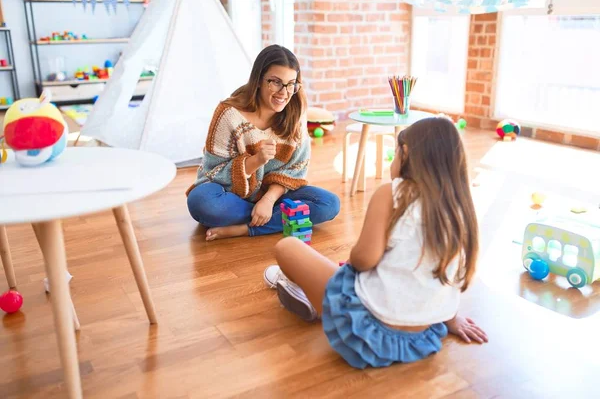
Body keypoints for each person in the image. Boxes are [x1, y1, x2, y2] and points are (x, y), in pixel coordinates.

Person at [263, 117, 488, 369]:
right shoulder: (462, 210)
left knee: (287, 247)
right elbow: (446, 276)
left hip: (365, 330)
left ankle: (303, 292)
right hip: (418, 336)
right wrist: (451, 318)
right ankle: (311, 296)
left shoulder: (392, 193)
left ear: (405, 154)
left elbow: (363, 260)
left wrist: (353, 260)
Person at [186, 44, 340, 241]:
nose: (284, 93)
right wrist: (255, 161)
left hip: (275, 196)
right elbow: (212, 173)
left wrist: (268, 199)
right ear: (258, 80)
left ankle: (246, 228)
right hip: (231, 195)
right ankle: (275, 217)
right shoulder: (228, 114)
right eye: (275, 82)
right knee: (201, 202)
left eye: (291, 83)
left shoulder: (296, 110)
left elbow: (295, 169)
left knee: (329, 204)